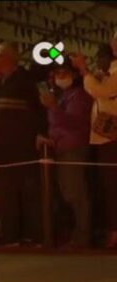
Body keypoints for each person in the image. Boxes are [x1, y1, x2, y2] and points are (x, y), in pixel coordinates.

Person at [0, 42, 46, 245]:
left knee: (28, 191)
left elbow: (40, 108)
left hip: (24, 146)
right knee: (5, 191)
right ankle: (8, 232)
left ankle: (33, 234)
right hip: (1, 147)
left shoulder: (26, 81)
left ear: (9, 58)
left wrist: (41, 132)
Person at [40, 60, 93, 248]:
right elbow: (57, 126)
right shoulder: (64, 96)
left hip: (74, 148)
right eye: (57, 74)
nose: (60, 77)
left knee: (76, 193)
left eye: (64, 73)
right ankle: (76, 235)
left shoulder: (79, 96)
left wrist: (54, 107)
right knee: (68, 193)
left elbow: (72, 123)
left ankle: (83, 237)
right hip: (62, 148)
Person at [73, 33, 117, 247]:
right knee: (108, 187)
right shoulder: (110, 72)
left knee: (112, 186)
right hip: (105, 136)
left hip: (112, 137)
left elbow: (102, 91)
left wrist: (84, 70)